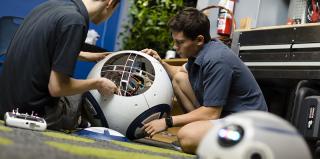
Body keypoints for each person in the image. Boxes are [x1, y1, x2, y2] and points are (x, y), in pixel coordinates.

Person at [142, 7, 268, 154]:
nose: (174, 47)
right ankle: (209, 139)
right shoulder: (200, 51)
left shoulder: (217, 59)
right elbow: (180, 73)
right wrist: (160, 62)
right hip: (225, 116)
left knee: (187, 136)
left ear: (199, 40)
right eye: (174, 41)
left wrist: (167, 121)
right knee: (179, 79)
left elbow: (211, 113)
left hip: (248, 126)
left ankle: (235, 150)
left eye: (180, 42)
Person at [0, 0, 120, 131]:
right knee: (82, 96)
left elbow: (46, 45)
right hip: (34, 114)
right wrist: (98, 83)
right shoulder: (76, 21)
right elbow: (57, 88)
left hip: (6, 104)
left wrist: (84, 55)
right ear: (110, 2)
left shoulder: (51, 6)